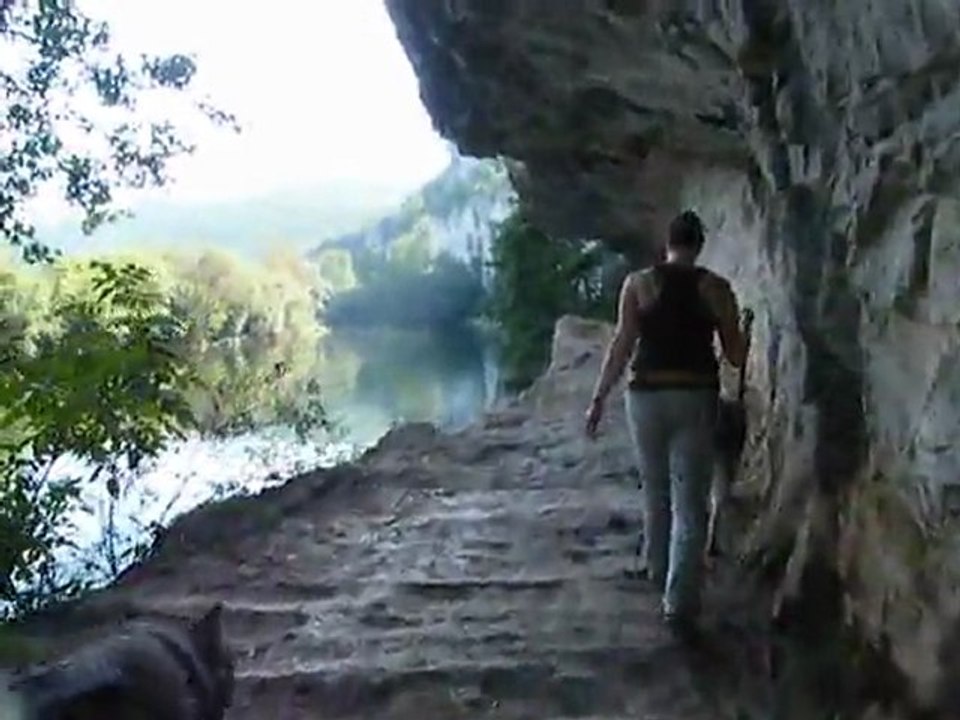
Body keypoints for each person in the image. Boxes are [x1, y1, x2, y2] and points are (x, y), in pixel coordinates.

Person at [584, 209, 749, 633]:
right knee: (690, 503)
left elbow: (623, 345)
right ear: (699, 245)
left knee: (655, 489)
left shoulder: (639, 284)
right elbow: (735, 355)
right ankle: (678, 603)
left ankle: (656, 570)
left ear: (667, 244)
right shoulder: (716, 287)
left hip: (645, 397)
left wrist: (599, 397)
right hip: (695, 395)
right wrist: (742, 331)